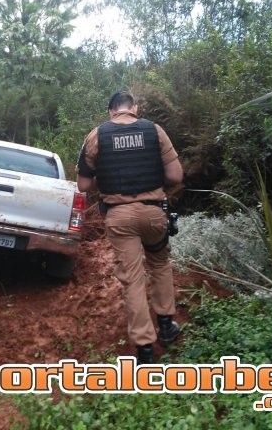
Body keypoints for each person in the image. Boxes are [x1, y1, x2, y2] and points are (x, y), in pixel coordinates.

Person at [76, 90, 184, 364]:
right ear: (134, 108)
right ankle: (167, 326)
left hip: (119, 218)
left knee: (133, 279)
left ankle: (145, 350)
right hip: (153, 213)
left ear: (111, 111)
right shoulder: (155, 131)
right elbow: (175, 175)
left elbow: (84, 185)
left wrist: (110, 179)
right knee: (159, 265)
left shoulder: (96, 135)